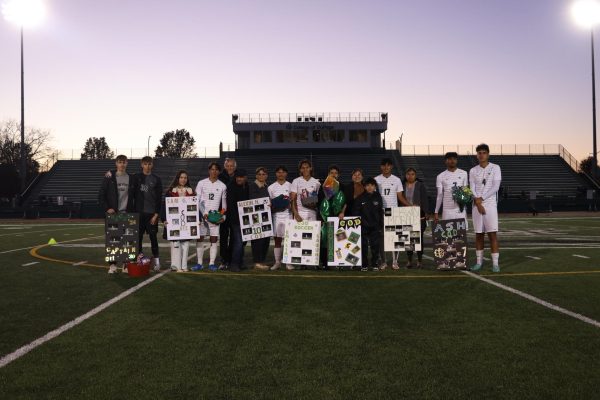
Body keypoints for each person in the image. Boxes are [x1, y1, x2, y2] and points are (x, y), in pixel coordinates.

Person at [98, 154, 135, 274]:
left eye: (124, 162)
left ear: (127, 163)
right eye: (120, 162)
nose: (122, 164)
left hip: (126, 213)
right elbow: (101, 195)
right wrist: (107, 208)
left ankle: (125, 265)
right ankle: (112, 266)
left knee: (126, 241)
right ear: (116, 163)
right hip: (113, 214)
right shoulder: (110, 177)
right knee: (113, 241)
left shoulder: (131, 177)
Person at [469, 144, 502, 272]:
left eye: (483, 152)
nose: (481, 155)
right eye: (479, 153)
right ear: (476, 155)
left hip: (490, 205)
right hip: (476, 205)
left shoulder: (495, 168)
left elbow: (495, 187)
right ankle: (479, 262)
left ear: (488, 154)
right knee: (478, 235)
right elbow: (471, 188)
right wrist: (478, 203)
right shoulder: (473, 170)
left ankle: (495, 264)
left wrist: (481, 200)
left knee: (492, 235)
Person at [375, 158, 410, 270]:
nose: (386, 167)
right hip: (381, 211)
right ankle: (384, 261)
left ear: (391, 167)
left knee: (396, 238)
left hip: (394, 211)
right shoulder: (376, 180)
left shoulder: (397, 180)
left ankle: (395, 261)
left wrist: (409, 205)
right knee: (381, 237)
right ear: (381, 167)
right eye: (384, 165)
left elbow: (400, 196)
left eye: (388, 165)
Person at [193, 162, 227, 271]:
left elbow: (224, 205)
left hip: (214, 218)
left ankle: (212, 263)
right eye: (212, 169)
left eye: (216, 169)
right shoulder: (201, 183)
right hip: (203, 216)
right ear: (209, 170)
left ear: (219, 171)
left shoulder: (222, 186)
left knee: (214, 239)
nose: (214, 171)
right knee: (200, 239)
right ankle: (199, 263)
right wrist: (204, 214)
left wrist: (221, 216)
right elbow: (197, 201)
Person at [131, 156, 163, 272]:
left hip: (151, 214)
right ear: (141, 165)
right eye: (145, 164)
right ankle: (139, 260)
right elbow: (122, 175)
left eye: (149, 164)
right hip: (138, 214)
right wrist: (111, 173)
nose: (147, 166)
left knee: (153, 238)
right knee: (137, 238)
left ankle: (157, 262)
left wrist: (156, 214)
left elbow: (159, 199)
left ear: (152, 165)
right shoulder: (136, 177)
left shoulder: (156, 179)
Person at [162, 170, 195, 272]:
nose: (183, 179)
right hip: (174, 221)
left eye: (185, 178)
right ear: (178, 178)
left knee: (186, 244)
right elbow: (164, 207)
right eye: (181, 177)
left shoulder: (191, 191)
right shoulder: (171, 191)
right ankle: (176, 266)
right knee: (176, 244)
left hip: (186, 221)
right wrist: (164, 219)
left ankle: (184, 266)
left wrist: (196, 220)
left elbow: (195, 207)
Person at [353, 177, 384, 271]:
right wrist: (361, 223)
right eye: (368, 185)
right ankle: (364, 264)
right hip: (363, 226)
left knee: (375, 246)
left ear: (375, 186)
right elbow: (356, 213)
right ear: (365, 187)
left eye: (372, 185)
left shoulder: (378, 197)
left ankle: (374, 264)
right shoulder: (360, 198)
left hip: (375, 226)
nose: (370, 187)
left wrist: (380, 224)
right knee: (363, 246)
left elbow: (380, 211)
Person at [317, 165, 344, 269]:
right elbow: (319, 203)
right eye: (331, 173)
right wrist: (320, 218)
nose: (333, 174)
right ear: (328, 174)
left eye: (335, 173)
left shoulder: (341, 186)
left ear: (338, 175)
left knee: (339, 240)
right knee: (324, 241)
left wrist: (342, 212)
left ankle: (339, 262)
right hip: (325, 218)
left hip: (338, 218)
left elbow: (345, 202)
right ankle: (324, 263)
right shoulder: (323, 186)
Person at [403, 167, 429, 268]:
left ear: (415, 175)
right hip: (406, 215)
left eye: (412, 174)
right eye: (408, 174)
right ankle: (409, 260)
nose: (410, 176)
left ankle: (419, 261)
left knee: (419, 239)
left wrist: (426, 212)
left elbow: (425, 199)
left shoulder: (420, 185)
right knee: (408, 239)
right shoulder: (402, 185)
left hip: (419, 216)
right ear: (405, 175)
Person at [268, 165, 293, 271]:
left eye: (283, 172)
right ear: (276, 174)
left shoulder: (291, 185)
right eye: (278, 172)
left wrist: (289, 206)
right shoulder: (271, 187)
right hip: (277, 216)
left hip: (288, 215)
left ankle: (288, 262)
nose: (281, 174)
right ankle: (277, 262)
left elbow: (293, 201)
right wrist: (275, 207)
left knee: (289, 240)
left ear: (286, 174)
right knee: (277, 240)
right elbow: (269, 204)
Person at [434, 152, 469, 225]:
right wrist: (436, 212)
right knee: (448, 234)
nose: (452, 161)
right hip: (447, 210)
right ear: (446, 161)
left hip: (460, 209)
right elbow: (440, 195)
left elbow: (466, 192)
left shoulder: (464, 173)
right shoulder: (440, 176)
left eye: (454, 159)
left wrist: (461, 199)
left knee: (461, 234)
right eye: (450, 159)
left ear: (457, 160)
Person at [227, 169, 249, 272]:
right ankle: (234, 264)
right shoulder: (231, 187)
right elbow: (230, 206)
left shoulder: (247, 186)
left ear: (245, 178)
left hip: (246, 219)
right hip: (236, 219)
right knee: (239, 242)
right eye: (237, 177)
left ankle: (240, 262)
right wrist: (237, 219)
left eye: (241, 177)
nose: (239, 179)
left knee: (243, 241)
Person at [249, 166, 271, 270]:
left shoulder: (268, 187)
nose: (261, 176)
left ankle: (262, 261)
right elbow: (253, 200)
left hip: (266, 217)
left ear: (266, 175)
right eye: (259, 174)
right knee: (257, 240)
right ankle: (257, 262)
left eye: (263, 174)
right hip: (255, 217)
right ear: (256, 175)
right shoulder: (252, 186)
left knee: (266, 239)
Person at [217, 158, 237, 269]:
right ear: (225, 167)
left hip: (235, 212)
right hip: (223, 211)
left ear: (235, 167)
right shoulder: (220, 177)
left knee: (234, 237)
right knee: (223, 237)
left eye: (232, 166)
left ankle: (232, 259)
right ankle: (224, 260)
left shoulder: (239, 177)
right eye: (228, 166)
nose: (230, 168)